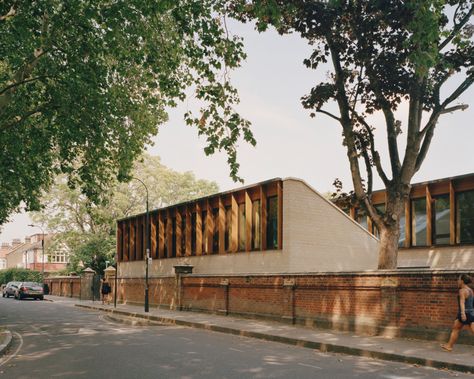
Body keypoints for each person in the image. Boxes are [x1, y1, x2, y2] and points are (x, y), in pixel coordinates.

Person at [441, 274, 474, 351]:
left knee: (459, 329)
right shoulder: (470, 290)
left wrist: (463, 314)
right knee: (455, 328)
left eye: (458, 280)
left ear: (462, 281)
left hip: (465, 314)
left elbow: (462, 302)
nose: (457, 281)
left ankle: (449, 346)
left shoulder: (462, 291)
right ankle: (449, 346)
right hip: (471, 312)